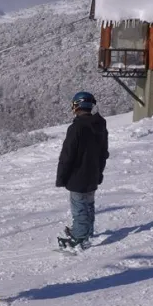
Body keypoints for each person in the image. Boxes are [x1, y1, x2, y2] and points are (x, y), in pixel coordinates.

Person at [56, 91, 109, 250]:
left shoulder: (76, 128)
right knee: (88, 205)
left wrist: (61, 177)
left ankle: (79, 238)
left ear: (77, 106)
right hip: (93, 174)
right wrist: (99, 173)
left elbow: (67, 156)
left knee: (79, 208)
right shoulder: (100, 126)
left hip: (77, 176)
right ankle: (86, 231)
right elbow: (103, 153)